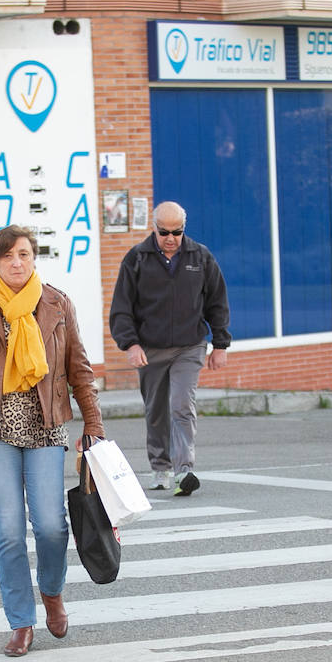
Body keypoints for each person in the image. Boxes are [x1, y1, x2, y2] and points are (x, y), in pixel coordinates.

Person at [0, 225, 104, 658]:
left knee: (52, 525)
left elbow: (79, 369)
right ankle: (20, 622)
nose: (17, 262)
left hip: (46, 427)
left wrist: (94, 423)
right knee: (10, 530)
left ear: (34, 259)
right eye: (8, 256)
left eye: (25, 254)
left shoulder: (56, 303)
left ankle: (51, 591)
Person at [109, 201, 231, 496]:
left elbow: (217, 301)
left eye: (176, 232)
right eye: (164, 232)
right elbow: (121, 308)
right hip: (150, 348)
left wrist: (220, 344)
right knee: (156, 410)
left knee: (181, 405)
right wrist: (131, 344)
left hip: (189, 346)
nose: (170, 238)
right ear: (154, 228)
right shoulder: (137, 259)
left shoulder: (200, 257)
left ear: (183, 229)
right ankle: (160, 467)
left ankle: (183, 470)